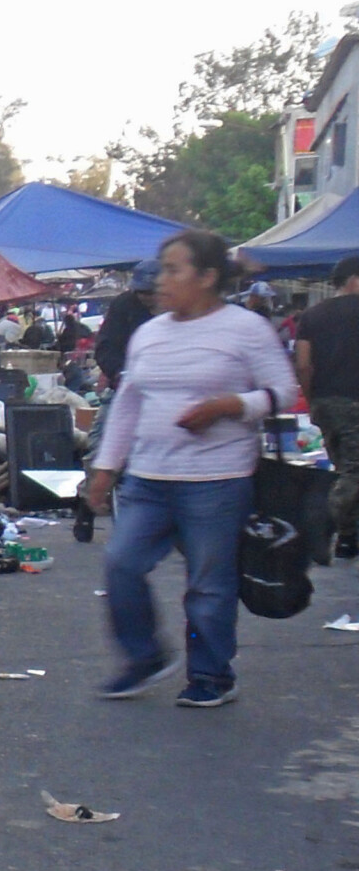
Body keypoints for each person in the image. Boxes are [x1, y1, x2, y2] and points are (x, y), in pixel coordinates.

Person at [85, 230, 299, 708]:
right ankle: (144, 657)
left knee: (208, 585)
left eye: (173, 270)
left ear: (207, 278)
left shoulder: (245, 329)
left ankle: (210, 674)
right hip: (148, 477)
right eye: (162, 269)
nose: (161, 280)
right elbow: (129, 403)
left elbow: (283, 391)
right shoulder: (148, 333)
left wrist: (230, 405)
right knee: (121, 564)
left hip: (217, 481)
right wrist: (106, 467)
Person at [293, 255, 359, 558]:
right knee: (353, 473)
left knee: (342, 468)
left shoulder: (311, 315)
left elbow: (303, 364)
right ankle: (322, 524)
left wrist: (312, 399)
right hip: (354, 402)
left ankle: (348, 537)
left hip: (324, 402)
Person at [93, 258, 159, 390]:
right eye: (140, 291)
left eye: (150, 292)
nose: (144, 296)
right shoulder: (123, 304)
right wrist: (119, 373)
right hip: (127, 381)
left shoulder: (179, 306)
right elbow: (105, 347)